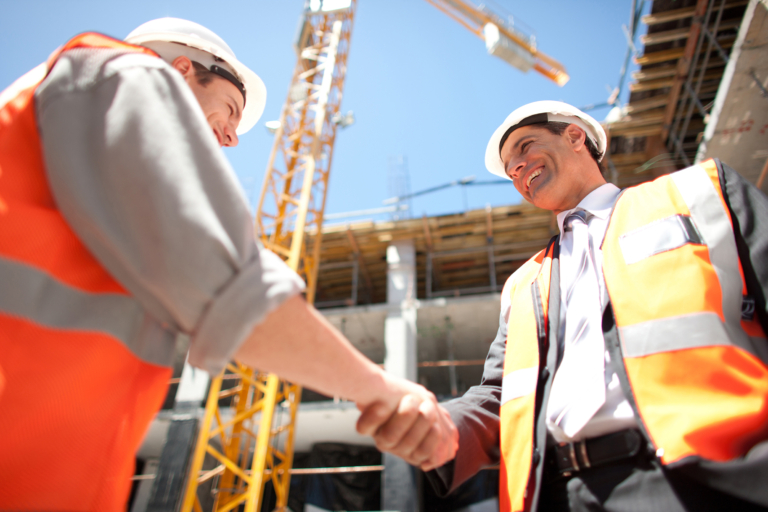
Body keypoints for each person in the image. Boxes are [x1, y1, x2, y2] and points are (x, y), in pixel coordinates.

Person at [0, 18, 450, 511]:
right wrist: (382, 389)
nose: (233, 137)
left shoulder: (85, 153)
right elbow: (233, 293)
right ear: (181, 69)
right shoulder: (124, 72)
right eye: (231, 110)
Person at [357, 101, 768, 511]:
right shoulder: (525, 284)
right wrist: (441, 426)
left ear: (574, 136)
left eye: (524, 147)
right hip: (558, 494)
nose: (515, 169)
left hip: (708, 474)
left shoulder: (699, 193)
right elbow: (501, 394)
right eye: (508, 167)